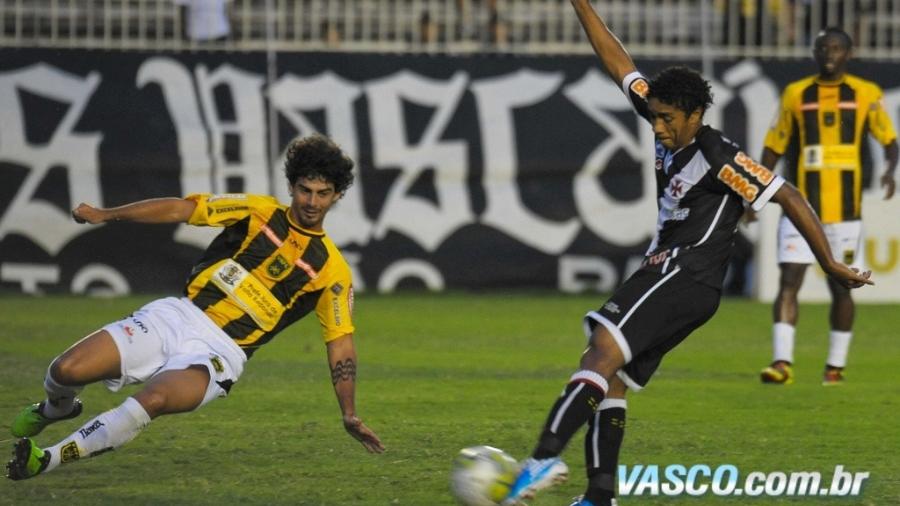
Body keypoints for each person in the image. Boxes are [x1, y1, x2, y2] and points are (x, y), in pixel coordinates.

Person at [500, 2, 873, 505]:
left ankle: (542, 459)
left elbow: (787, 194)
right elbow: (617, 62)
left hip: (684, 270)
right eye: (653, 117)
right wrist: (581, 4)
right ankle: (598, 497)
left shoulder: (719, 155)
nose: (657, 128)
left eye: (668, 120)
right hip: (681, 277)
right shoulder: (663, 114)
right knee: (611, 379)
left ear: (695, 116)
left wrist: (828, 262)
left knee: (600, 352)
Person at [6, 134, 385, 481]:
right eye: (305, 190)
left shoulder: (333, 271)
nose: (312, 202)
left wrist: (348, 412)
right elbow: (182, 210)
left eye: (323, 192)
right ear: (291, 186)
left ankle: (47, 459)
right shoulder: (257, 211)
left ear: (337, 195)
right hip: (176, 316)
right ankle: (57, 408)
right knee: (65, 369)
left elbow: (340, 344)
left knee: (151, 400)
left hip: (220, 353)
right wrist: (107, 214)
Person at [758, 27, 898, 386]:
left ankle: (835, 367)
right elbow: (774, 145)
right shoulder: (796, 94)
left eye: (836, 48)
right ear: (814, 52)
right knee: (789, 281)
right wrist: (754, 191)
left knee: (843, 287)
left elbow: (889, 138)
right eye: (823, 48)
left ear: (849, 53)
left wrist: (890, 170)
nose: (829, 53)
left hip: (846, 213)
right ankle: (781, 363)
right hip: (800, 208)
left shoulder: (865, 94)